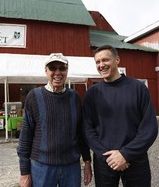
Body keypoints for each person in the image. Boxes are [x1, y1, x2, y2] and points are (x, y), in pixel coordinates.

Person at [82, 45, 158, 187]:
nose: (101, 65)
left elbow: (149, 128)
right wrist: (108, 156)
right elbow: (87, 128)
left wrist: (125, 154)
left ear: (117, 60)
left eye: (105, 60)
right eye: (97, 62)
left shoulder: (138, 88)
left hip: (135, 160)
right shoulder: (92, 94)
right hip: (105, 162)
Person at [17, 53, 92, 187]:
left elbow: (81, 133)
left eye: (62, 68)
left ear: (67, 71)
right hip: (41, 166)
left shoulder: (75, 97)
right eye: (52, 68)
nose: (57, 72)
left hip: (71, 166)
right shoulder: (34, 96)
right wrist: (24, 171)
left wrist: (87, 161)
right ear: (46, 71)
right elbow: (25, 136)